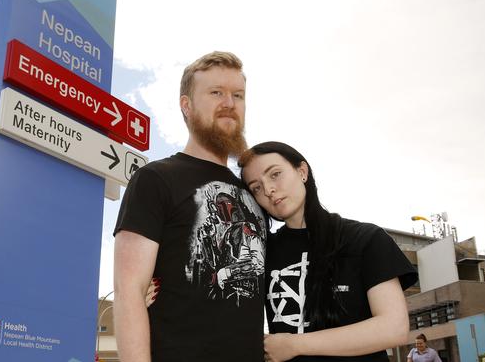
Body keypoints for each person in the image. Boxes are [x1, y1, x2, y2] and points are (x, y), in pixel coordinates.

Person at [113, 52, 268, 362]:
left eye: (237, 95)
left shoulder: (256, 195)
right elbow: (129, 290)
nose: (229, 103)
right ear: (186, 105)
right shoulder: (154, 179)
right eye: (216, 93)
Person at [237, 141, 418, 362]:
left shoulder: (364, 239)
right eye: (256, 187)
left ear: (302, 171)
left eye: (275, 174)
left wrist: (294, 345)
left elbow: (393, 327)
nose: (268, 190)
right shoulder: (261, 253)